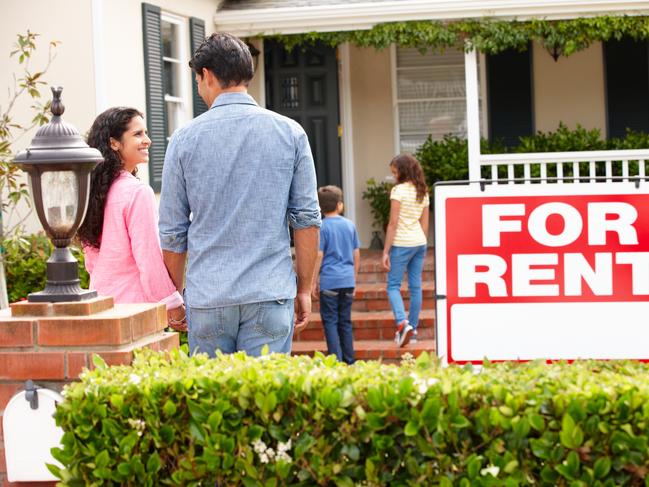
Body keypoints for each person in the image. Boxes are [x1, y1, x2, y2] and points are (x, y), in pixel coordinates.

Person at [159, 33, 320, 358]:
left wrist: (174, 296)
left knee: (211, 404)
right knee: (264, 404)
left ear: (206, 75)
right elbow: (307, 221)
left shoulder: (183, 140)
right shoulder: (291, 133)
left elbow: (173, 233)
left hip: (209, 296)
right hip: (269, 291)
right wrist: (304, 288)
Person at [77, 107, 186, 330]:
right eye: (138, 134)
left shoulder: (91, 192)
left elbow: (91, 262)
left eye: (145, 133)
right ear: (114, 143)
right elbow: (149, 259)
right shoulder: (137, 192)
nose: (148, 140)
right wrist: (173, 305)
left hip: (101, 307)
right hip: (136, 311)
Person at [382, 154, 430, 347]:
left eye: (395, 172)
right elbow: (425, 224)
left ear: (403, 171)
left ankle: (402, 323)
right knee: (415, 287)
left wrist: (386, 251)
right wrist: (421, 243)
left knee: (393, 286)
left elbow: (393, 223)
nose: (393, 176)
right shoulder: (422, 191)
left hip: (402, 243)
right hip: (419, 242)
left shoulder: (398, 191)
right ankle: (414, 329)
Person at [312, 186, 360, 364]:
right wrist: (354, 279)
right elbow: (356, 254)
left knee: (330, 322)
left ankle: (336, 361)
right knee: (345, 322)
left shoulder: (322, 228)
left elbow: (319, 255)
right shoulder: (350, 225)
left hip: (329, 282)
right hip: (347, 280)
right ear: (339, 205)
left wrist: (313, 281)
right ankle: (350, 361)